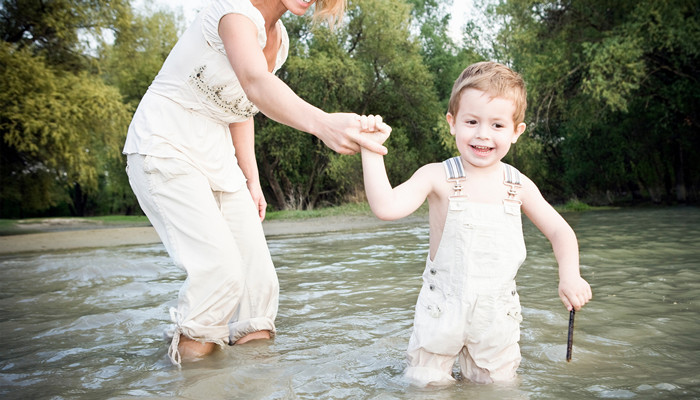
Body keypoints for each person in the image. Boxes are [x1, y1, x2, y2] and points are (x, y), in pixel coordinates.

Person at [123, 0, 388, 366]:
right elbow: (255, 82)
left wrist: (251, 179)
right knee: (220, 274)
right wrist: (324, 123)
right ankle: (185, 381)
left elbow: (243, 107)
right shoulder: (233, 11)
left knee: (257, 288)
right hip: (164, 146)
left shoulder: (278, 40)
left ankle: (251, 384)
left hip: (218, 160)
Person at [359, 61, 592, 386]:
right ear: (452, 123)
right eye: (471, 121)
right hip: (442, 308)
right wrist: (371, 149)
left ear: (516, 132)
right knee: (426, 384)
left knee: (496, 387)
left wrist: (570, 274)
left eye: (497, 125)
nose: (483, 134)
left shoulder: (519, 185)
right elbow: (385, 207)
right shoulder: (437, 175)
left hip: (497, 313)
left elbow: (560, 231)